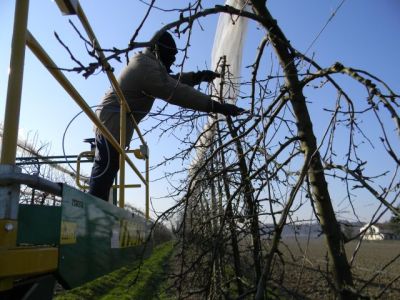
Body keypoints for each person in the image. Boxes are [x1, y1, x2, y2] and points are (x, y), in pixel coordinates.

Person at [89, 30, 245, 201]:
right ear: (158, 50)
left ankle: (96, 204)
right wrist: (215, 106)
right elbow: (174, 89)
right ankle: (94, 205)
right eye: (171, 55)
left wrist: (197, 77)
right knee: (106, 165)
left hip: (114, 121)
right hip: (112, 122)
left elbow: (170, 80)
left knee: (108, 165)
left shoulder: (147, 63)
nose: (173, 60)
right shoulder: (146, 67)